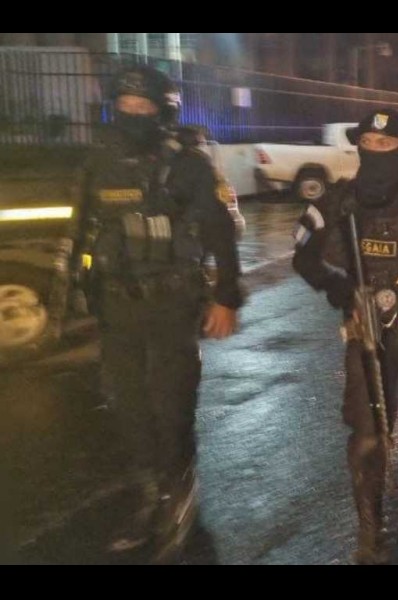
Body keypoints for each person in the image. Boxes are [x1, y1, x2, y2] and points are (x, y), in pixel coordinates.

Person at [78, 66, 243, 552]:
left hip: (173, 303)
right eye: (125, 106)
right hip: (117, 306)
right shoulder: (99, 162)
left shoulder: (188, 165)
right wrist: (81, 287)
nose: (133, 114)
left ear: (163, 112)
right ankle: (151, 495)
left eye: (143, 107)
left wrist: (227, 297)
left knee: (171, 404)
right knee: (128, 406)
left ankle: (178, 489)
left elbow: (221, 234)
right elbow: (82, 228)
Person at [293, 109, 398, 565]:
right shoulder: (335, 201)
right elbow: (303, 255)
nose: (376, 151)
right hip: (366, 324)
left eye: (386, 145)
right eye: (368, 143)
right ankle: (370, 530)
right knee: (366, 432)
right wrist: (340, 288)